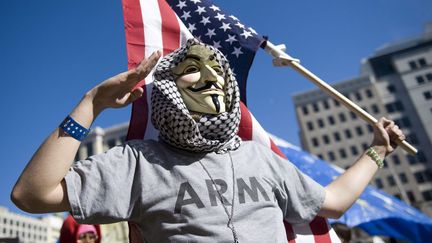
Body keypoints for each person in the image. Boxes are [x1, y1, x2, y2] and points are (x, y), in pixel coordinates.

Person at [12, 39, 406, 242]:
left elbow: (333, 202)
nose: (210, 76)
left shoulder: (261, 158)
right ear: (166, 85)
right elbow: (32, 194)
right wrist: (91, 104)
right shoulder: (137, 163)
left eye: (218, 70)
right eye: (191, 68)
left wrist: (378, 150)